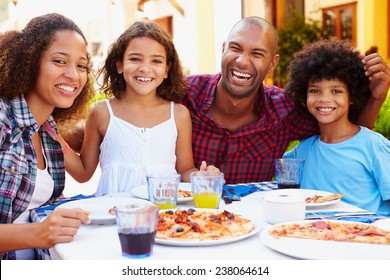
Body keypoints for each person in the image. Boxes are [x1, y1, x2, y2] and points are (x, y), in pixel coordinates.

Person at [63, 16, 390, 184]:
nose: (242, 61)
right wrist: (48, 127)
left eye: (257, 53)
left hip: (250, 228)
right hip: (183, 222)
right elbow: (124, 123)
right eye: (235, 48)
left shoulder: (285, 109)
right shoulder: (183, 94)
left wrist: (374, 98)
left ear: (272, 64)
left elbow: (345, 136)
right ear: (223, 49)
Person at [58, 21, 218, 196]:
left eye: (156, 61)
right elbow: (83, 173)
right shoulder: (102, 112)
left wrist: (202, 176)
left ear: (166, 69)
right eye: (135, 59)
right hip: (113, 213)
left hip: (165, 214)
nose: (145, 68)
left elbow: (185, 169)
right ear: (119, 64)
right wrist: (53, 134)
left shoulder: (179, 115)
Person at [0, 13, 93, 260]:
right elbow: (40, 230)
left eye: (81, 65)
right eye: (60, 61)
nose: (74, 75)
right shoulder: (3, 119)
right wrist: (38, 233)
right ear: (29, 62)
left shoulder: (48, 130)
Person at [283, 38, 390, 212]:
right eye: (314, 90)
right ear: (304, 97)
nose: (324, 99)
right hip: (310, 234)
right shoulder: (304, 149)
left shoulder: (374, 146)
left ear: (352, 96)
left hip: (365, 235)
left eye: (336, 91)